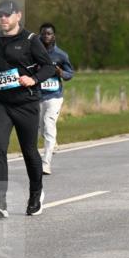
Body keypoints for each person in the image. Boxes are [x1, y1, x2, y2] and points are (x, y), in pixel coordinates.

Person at [0, 0, 55, 217]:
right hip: (0, 103)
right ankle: (0, 203)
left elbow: (49, 67)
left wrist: (33, 79)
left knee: (28, 151)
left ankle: (35, 193)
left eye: (7, 15)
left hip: (26, 103)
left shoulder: (31, 40)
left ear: (18, 16)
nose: (3, 18)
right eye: (0, 15)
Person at [37, 23, 74, 175]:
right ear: (40, 35)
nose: (46, 36)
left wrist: (61, 73)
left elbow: (70, 73)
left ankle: (46, 164)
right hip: (38, 95)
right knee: (40, 129)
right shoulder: (34, 52)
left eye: (49, 34)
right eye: (44, 33)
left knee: (48, 123)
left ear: (54, 36)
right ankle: (52, 142)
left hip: (54, 96)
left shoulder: (61, 55)